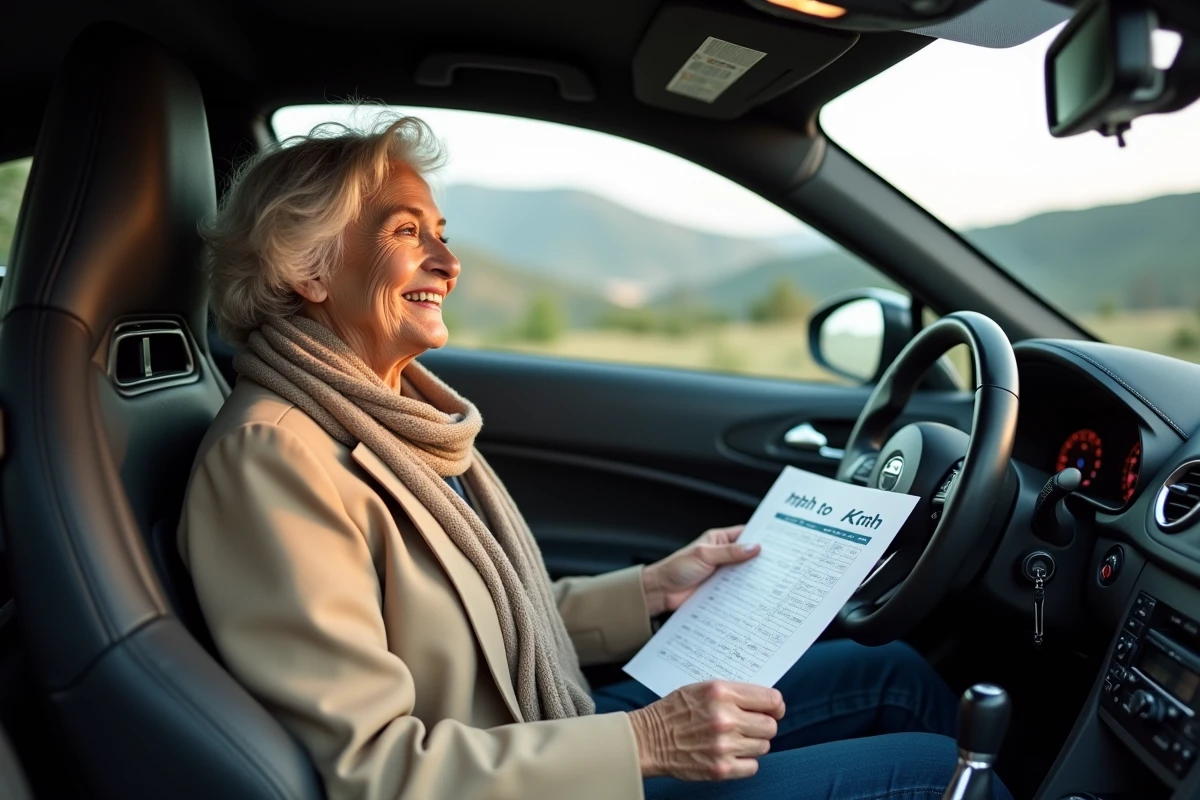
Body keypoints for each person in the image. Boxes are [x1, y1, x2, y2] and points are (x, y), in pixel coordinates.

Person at [179, 113, 1011, 800]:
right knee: (937, 776)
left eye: (443, 232)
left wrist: (651, 590)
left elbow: (486, 626)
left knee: (893, 673)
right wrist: (646, 741)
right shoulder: (273, 456)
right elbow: (373, 771)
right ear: (308, 269)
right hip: (506, 775)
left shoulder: (385, 415)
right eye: (408, 233)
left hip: (532, 732)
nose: (449, 261)